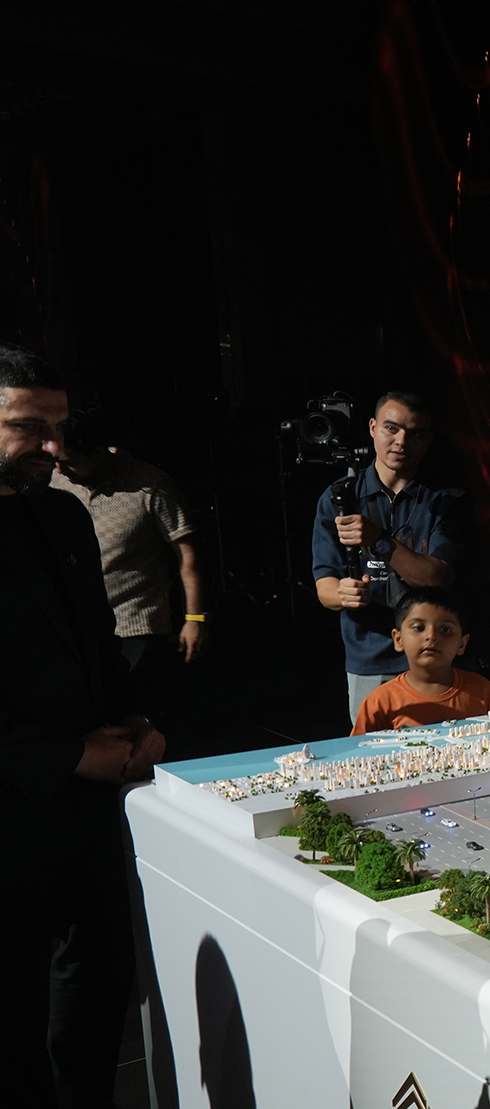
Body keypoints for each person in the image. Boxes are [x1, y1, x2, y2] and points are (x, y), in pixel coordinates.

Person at [0, 342, 169, 1107]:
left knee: (99, 988)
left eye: (59, 427)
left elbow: (100, 641)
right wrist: (69, 754)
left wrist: (134, 717)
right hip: (13, 808)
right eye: (28, 427)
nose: (52, 446)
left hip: (88, 812)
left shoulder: (63, 513)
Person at [311, 391, 470, 723]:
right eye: (391, 429)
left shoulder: (447, 499)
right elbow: (325, 585)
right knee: (374, 751)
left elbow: (437, 578)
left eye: (416, 433)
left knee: (440, 748)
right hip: (369, 657)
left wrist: (379, 540)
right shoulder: (339, 498)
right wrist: (343, 594)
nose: (401, 441)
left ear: (429, 439)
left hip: (432, 656)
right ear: (373, 428)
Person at [51, 425, 207, 726]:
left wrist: (195, 618)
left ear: (98, 453)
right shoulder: (58, 481)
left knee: (137, 717)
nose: (59, 470)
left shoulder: (151, 485)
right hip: (84, 625)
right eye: (56, 461)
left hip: (136, 623)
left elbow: (188, 557)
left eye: (69, 461)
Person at [350, 587, 490, 733]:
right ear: (398, 639)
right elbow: (359, 750)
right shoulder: (380, 702)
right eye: (419, 628)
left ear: (462, 643)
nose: (431, 636)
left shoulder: (483, 691)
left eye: (445, 630)